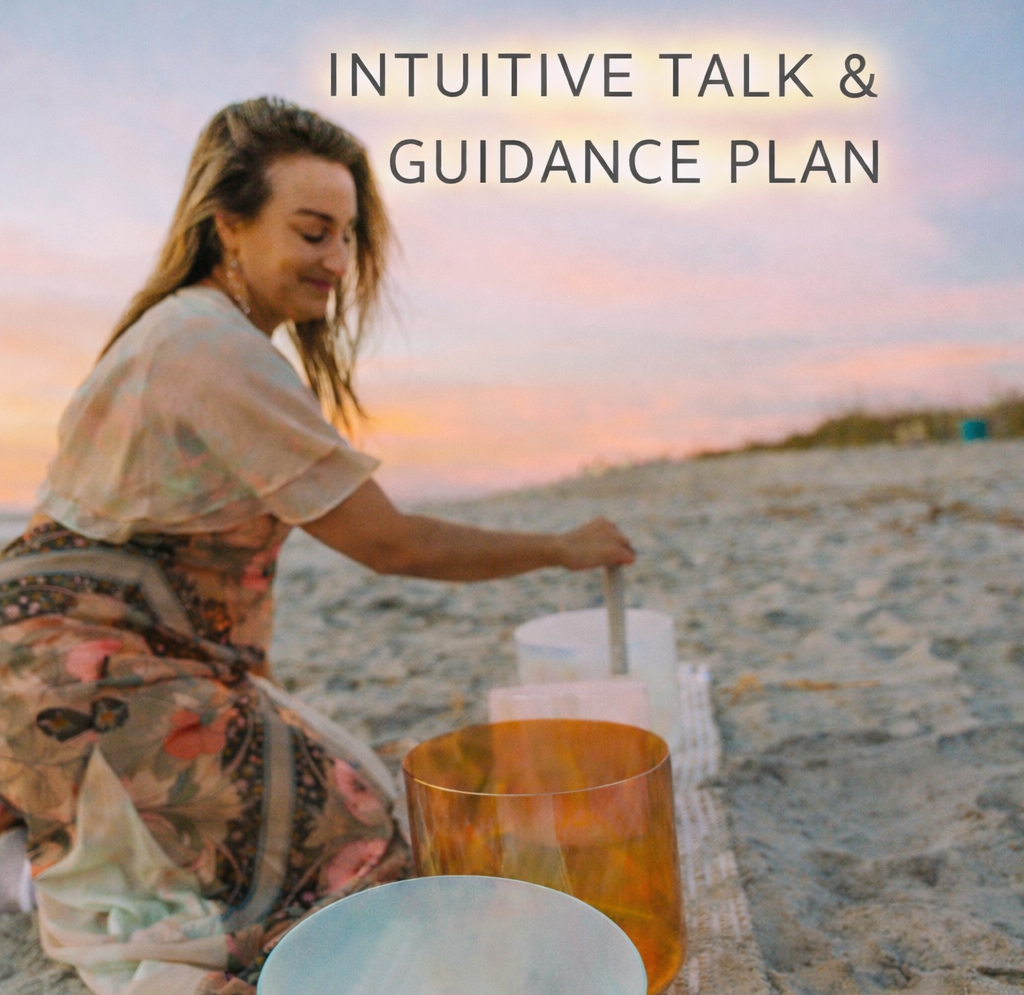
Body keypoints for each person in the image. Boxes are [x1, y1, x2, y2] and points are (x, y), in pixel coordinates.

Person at [0, 97, 634, 995]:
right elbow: (391, 542)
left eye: (345, 236)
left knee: (360, 778)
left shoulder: (188, 331)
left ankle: (57, 832)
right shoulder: (208, 346)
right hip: (72, 680)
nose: (336, 261)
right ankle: (51, 853)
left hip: (67, 663)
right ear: (229, 226)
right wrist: (561, 547)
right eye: (311, 232)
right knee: (356, 857)